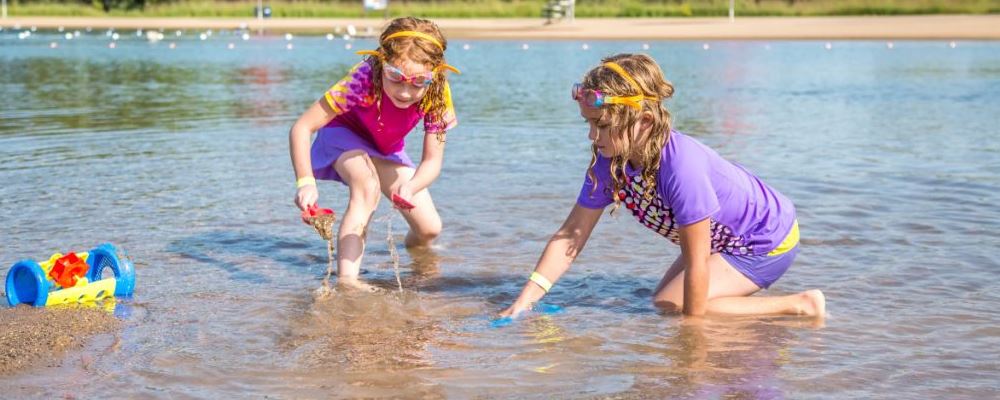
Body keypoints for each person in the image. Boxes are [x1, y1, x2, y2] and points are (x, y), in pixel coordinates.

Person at [501, 53, 825, 318]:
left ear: (644, 121)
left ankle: (799, 304)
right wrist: (524, 301)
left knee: (676, 308)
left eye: (602, 125)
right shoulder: (608, 161)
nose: (592, 136)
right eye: (588, 124)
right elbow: (570, 236)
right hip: (722, 240)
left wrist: (691, 349)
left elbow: (697, 262)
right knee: (664, 300)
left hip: (766, 239)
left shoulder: (681, 165)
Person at [288, 17, 459, 291]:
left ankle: (418, 261)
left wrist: (411, 185)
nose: (405, 92)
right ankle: (348, 282)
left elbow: (432, 161)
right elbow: (302, 127)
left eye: (418, 82)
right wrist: (305, 182)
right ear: (381, 64)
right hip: (343, 135)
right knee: (366, 187)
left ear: (434, 75)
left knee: (429, 229)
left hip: (386, 149)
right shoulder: (362, 78)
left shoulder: (437, 94)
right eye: (395, 78)